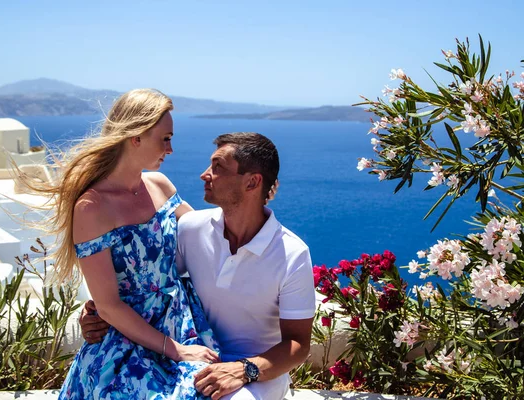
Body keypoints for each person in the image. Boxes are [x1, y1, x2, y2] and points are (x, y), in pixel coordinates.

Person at [81, 132, 316, 399]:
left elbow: (298, 344)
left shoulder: (292, 254)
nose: (204, 175)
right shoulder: (192, 229)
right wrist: (96, 309)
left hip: (257, 370)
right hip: (194, 355)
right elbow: (149, 279)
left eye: (218, 168)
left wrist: (243, 370)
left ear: (252, 182)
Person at [19, 88, 220, 399]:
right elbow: (110, 306)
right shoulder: (92, 206)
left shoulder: (160, 186)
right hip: (129, 340)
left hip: (183, 323)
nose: (170, 149)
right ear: (135, 136)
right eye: (165, 138)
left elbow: (209, 236)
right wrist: (176, 351)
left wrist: (255, 200)